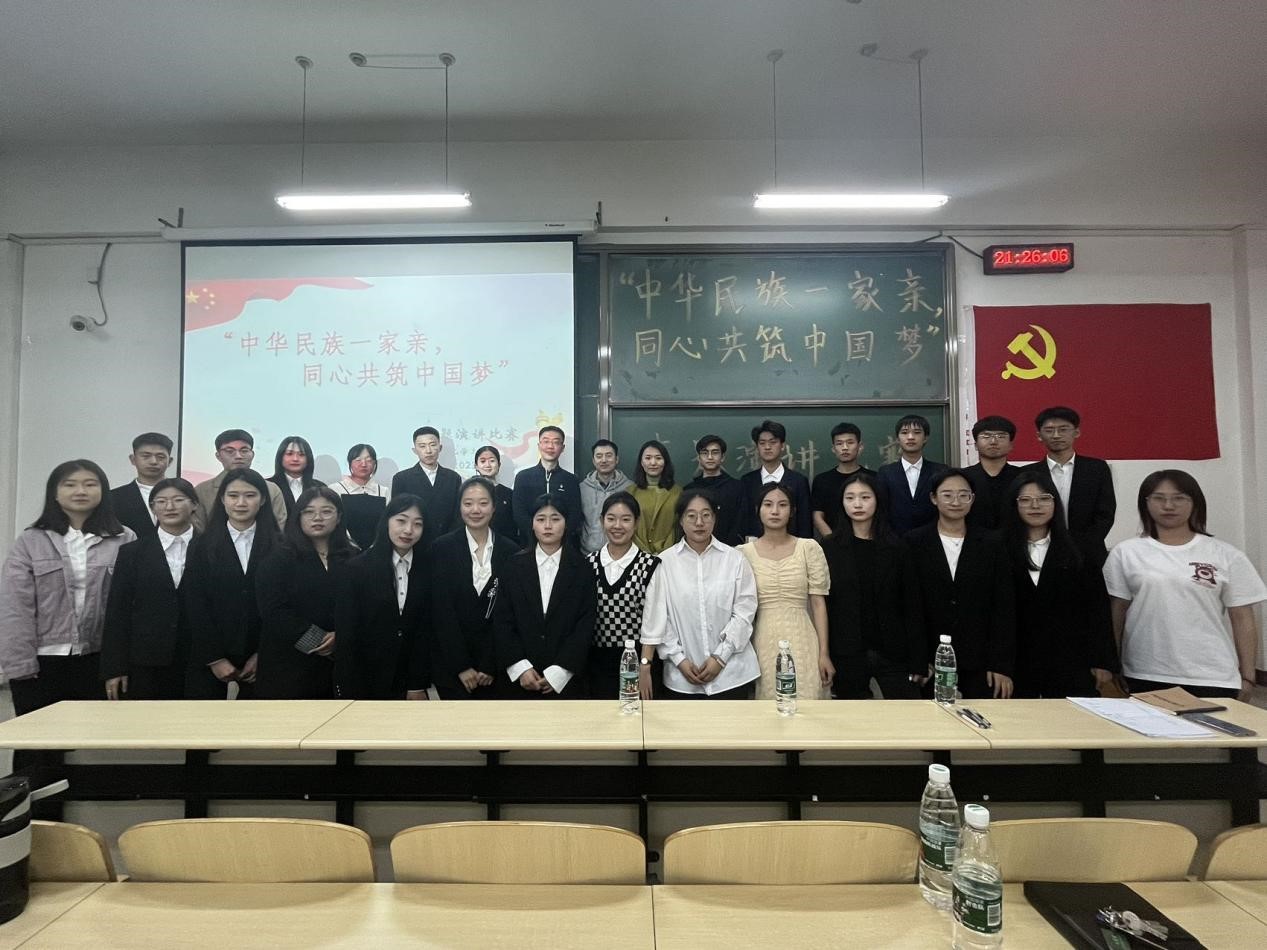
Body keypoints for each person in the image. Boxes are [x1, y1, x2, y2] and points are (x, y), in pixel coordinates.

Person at [0, 460, 133, 814]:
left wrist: (119, 662)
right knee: (36, 749)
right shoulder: (31, 540)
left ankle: (83, 827)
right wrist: (19, 665)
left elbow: (130, 606)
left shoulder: (124, 538)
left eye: (90, 484)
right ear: (55, 493)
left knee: (91, 747)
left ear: (103, 491)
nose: (80, 491)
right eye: (70, 484)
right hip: (41, 662)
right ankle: (36, 823)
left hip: (98, 660)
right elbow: (14, 606)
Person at [1104, 470, 1266, 700]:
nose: (1168, 505)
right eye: (1158, 498)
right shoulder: (1126, 552)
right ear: (1145, 503)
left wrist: (1248, 676)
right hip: (1144, 672)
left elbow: (1242, 618)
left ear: (1195, 502)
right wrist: (1112, 665)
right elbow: (1116, 612)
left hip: (1213, 675)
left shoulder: (1225, 554)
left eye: (1179, 498)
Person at [1001, 470, 1117, 698]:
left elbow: (1097, 607)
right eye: (1026, 500)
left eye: (1044, 498)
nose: (1036, 506)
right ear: (1014, 504)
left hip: (1070, 658)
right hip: (1015, 660)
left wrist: (1102, 660)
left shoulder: (1079, 547)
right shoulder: (997, 547)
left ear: (1056, 503)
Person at [906, 469, 1016, 699]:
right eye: (947, 495)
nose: (955, 502)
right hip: (932, 661)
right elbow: (911, 606)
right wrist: (918, 660)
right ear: (933, 498)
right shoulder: (914, 542)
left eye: (963, 495)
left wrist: (1000, 664)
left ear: (972, 499)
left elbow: (1003, 607)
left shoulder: (992, 543)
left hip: (981, 662)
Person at [819, 471, 925, 699]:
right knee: (853, 717)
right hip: (846, 650)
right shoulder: (829, 548)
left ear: (878, 500)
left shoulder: (898, 547)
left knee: (908, 712)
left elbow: (912, 605)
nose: (857, 504)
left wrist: (919, 658)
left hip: (893, 650)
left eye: (865, 497)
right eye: (850, 498)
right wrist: (824, 653)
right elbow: (824, 606)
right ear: (842, 503)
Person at [646, 490, 759, 699]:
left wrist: (720, 657)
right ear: (681, 520)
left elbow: (745, 612)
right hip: (682, 679)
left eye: (706, 515)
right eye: (691, 516)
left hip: (732, 675)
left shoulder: (735, 559)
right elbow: (660, 617)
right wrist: (679, 659)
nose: (699, 522)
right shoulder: (664, 562)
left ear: (714, 518)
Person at [183, 468, 282, 699]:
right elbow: (195, 603)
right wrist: (214, 658)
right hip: (210, 654)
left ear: (263, 500)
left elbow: (283, 604)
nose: (241, 503)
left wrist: (262, 653)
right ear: (222, 499)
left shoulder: (281, 545)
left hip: (264, 653)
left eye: (250, 495)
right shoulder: (201, 545)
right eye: (233, 495)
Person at [100, 477, 200, 700]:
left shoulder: (212, 549)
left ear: (194, 504)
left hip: (199, 660)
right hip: (145, 661)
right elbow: (118, 611)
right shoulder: (132, 552)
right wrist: (115, 667)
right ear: (153, 508)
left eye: (178, 499)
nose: (169, 507)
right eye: (161, 501)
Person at [255, 487, 353, 699]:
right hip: (289, 665)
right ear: (298, 517)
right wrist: (318, 642)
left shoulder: (354, 557)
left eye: (326, 511)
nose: (317, 517)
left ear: (339, 517)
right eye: (308, 511)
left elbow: (363, 607)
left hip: (341, 663)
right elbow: (273, 610)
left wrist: (342, 637)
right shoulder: (278, 558)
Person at [495, 495, 596, 698]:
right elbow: (503, 620)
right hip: (521, 680)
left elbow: (585, 624)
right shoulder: (513, 566)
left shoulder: (583, 568)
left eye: (555, 519)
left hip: (567, 681)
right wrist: (520, 667)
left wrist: (560, 671)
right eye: (541, 519)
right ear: (532, 524)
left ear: (566, 524)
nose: (548, 526)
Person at [739, 483, 832, 699]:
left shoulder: (809, 548)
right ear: (758, 510)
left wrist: (824, 653)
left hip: (803, 637)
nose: (775, 511)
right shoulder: (743, 553)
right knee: (769, 702)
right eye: (768, 505)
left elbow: (818, 604)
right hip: (763, 638)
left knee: (808, 698)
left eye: (782, 505)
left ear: (792, 511)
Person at [334, 493, 431, 700]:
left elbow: (425, 631)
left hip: (410, 682)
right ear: (387, 521)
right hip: (365, 679)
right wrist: (348, 687)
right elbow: (347, 632)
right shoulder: (357, 568)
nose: (408, 530)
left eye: (417, 524)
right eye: (401, 521)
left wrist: (416, 683)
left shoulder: (430, 568)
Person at [430, 477, 517, 699]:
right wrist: (461, 665)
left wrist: (490, 664)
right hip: (452, 667)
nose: (475, 510)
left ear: (494, 507)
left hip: (496, 668)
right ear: (460, 507)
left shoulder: (511, 552)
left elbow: (509, 615)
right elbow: (441, 612)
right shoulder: (441, 548)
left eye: (483, 503)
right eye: (468, 503)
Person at [585, 492, 665, 701]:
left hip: (637, 662)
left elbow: (653, 621)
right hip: (594, 665)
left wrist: (645, 667)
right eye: (611, 519)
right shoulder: (587, 564)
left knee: (636, 717)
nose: (617, 526)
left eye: (626, 519)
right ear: (601, 521)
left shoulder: (650, 565)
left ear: (636, 523)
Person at [1021, 406, 1116, 567]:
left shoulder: (1097, 468)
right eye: (1049, 430)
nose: (1056, 435)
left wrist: (1080, 546)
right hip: (1040, 552)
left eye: (1063, 429)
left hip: (1088, 554)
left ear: (1076, 432)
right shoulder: (1027, 473)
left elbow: (1105, 514)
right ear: (1039, 435)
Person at [192, 429, 288, 531]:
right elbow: (198, 530)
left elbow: (278, 527)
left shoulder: (272, 489)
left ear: (252, 454)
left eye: (244, 451)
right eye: (230, 451)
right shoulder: (202, 491)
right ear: (218, 456)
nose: (238, 456)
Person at [739, 420, 812, 539]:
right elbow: (744, 519)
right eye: (762, 443)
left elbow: (805, 521)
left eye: (773, 442)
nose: (767, 447)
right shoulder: (747, 481)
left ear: (782, 445)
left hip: (791, 545)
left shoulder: (798, 481)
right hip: (755, 545)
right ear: (757, 447)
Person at [390, 427, 462, 548]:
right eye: (422, 446)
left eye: (432, 445)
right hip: (415, 543)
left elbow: (458, 514)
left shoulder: (453, 478)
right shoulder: (402, 478)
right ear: (414, 450)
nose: (428, 451)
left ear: (440, 447)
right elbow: (398, 515)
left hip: (448, 543)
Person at [877, 414, 948, 536]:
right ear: (898, 439)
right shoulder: (885, 472)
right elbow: (882, 510)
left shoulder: (941, 471)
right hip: (896, 539)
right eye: (904, 433)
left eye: (917, 432)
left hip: (932, 538)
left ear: (925, 438)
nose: (910, 437)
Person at [511, 425, 582, 545]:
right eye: (546, 441)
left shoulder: (571, 480)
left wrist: (560, 535)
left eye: (556, 442)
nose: (550, 446)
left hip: (563, 544)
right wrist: (536, 534)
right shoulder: (523, 477)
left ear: (563, 448)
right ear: (539, 446)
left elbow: (575, 514)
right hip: (529, 544)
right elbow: (519, 512)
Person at [811, 422, 873, 538]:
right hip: (832, 542)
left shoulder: (873, 478)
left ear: (860, 446)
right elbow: (817, 516)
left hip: (869, 541)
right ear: (833, 448)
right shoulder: (822, 480)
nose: (845, 448)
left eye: (850, 442)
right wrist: (833, 541)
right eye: (839, 443)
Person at [685, 435, 746, 547]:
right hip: (696, 549)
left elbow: (741, 522)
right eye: (705, 453)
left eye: (715, 452)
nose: (710, 457)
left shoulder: (737, 487)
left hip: (730, 549)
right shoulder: (689, 490)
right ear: (699, 458)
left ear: (722, 457)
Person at [110, 432, 173, 538]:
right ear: (133, 459)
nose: (153, 461)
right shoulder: (113, 497)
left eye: (160, 456)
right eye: (146, 456)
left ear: (170, 461)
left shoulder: (184, 494)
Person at [963, 416, 1021, 532]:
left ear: (1011, 445)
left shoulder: (1022, 477)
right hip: (972, 539)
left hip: (1015, 539)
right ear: (975, 445)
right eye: (986, 436)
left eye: (1001, 436)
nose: (993, 442)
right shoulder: (962, 477)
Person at [328, 443, 391, 551]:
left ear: (375, 464)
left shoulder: (383, 491)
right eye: (358, 460)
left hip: (376, 550)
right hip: (343, 549)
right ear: (350, 463)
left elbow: (387, 522)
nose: (363, 464)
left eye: (369, 460)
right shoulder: (335, 489)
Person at [579, 439, 633, 554]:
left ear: (616, 459)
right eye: (599, 456)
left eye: (608, 456)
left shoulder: (630, 488)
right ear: (593, 461)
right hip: (587, 554)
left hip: (621, 554)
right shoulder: (582, 489)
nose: (604, 460)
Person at [630, 439, 682, 555]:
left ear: (665, 462)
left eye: (658, 458)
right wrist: (643, 552)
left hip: (670, 555)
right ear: (641, 462)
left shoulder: (678, 492)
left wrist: (664, 552)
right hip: (637, 554)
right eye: (648, 458)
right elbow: (628, 525)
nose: (653, 463)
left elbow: (678, 526)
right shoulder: (630, 492)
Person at [267, 435, 326, 521]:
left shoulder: (320, 487)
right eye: (289, 454)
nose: (295, 459)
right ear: (280, 457)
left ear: (308, 459)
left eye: (301, 454)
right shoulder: (268, 486)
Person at [474, 445, 519, 545]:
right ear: (476, 466)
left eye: (492, 461)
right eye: (483, 461)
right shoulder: (469, 492)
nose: (488, 465)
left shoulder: (509, 494)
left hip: (504, 546)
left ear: (499, 464)